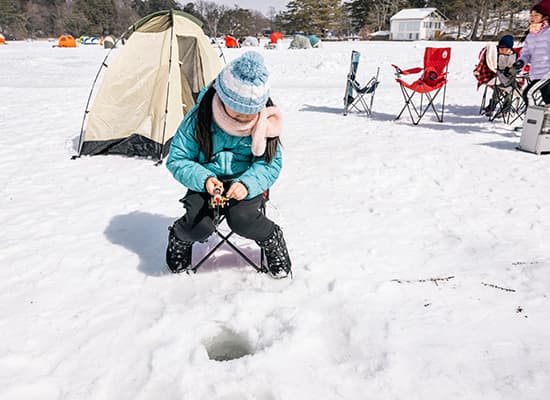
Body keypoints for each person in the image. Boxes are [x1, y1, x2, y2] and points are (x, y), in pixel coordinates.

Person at [165, 51, 292, 279]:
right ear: (223, 98)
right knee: (199, 226)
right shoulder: (199, 118)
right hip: (205, 181)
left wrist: (246, 184)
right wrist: (204, 179)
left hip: (245, 181)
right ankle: (179, 237)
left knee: (242, 219)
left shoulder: (265, 121)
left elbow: (269, 164)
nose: (245, 117)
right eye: (239, 110)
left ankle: (272, 238)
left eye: (251, 112)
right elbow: (177, 158)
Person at [513, 0, 550, 105]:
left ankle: (532, 120)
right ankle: (543, 121)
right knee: (547, 102)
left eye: (536, 15)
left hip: (547, 74)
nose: (532, 17)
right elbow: (526, 53)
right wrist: (521, 61)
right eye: (531, 15)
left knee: (529, 94)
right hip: (537, 74)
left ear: (545, 17)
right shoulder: (531, 34)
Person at [483, 35, 518, 116]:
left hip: (511, 80)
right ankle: (492, 106)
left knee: (508, 92)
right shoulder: (497, 55)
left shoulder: (514, 56)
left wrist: (510, 70)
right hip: (499, 78)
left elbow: (516, 68)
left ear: (509, 49)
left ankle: (506, 108)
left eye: (503, 49)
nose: (501, 50)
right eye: (500, 48)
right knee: (497, 90)